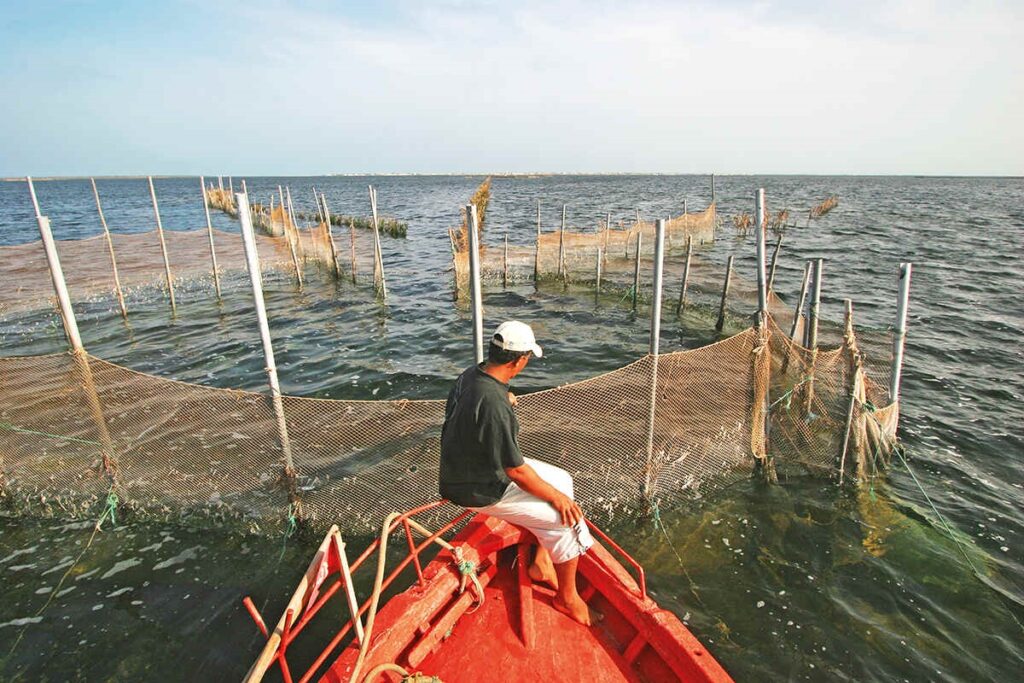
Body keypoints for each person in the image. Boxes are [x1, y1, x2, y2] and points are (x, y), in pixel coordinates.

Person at [439, 320, 595, 626]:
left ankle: (541, 562)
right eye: (526, 359)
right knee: (565, 519)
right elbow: (515, 470)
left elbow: (463, 407)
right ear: (517, 361)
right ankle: (567, 599)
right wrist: (557, 499)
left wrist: (503, 398)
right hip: (478, 486)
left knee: (564, 479)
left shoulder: (474, 374)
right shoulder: (494, 404)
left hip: (462, 467)